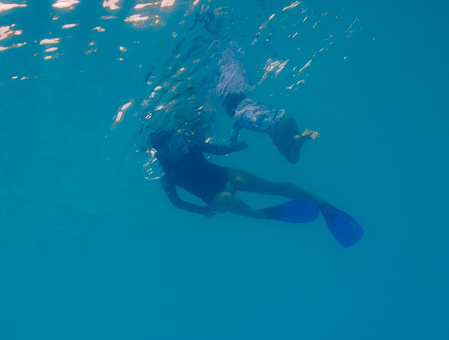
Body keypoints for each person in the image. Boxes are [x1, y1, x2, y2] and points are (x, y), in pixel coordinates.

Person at [149, 127, 363, 245]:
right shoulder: (168, 176)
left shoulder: (192, 146)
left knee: (273, 186)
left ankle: (321, 202)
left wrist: (234, 148)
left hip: (227, 176)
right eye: (173, 145)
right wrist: (201, 210)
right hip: (215, 197)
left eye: (178, 139)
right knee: (226, 200)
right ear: (164, 152)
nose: (180, 145)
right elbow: (176, 202)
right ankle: (260, 215)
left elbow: (215, 149)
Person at [216, 42, 320, 164]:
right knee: (293, 141)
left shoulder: (237, 117)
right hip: (286, 115)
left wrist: (240, 146)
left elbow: (232, 143)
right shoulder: (249, 101)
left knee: (292, 159)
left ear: (232, 110)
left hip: (276, 127)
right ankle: (301, 137)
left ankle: (304, 137)